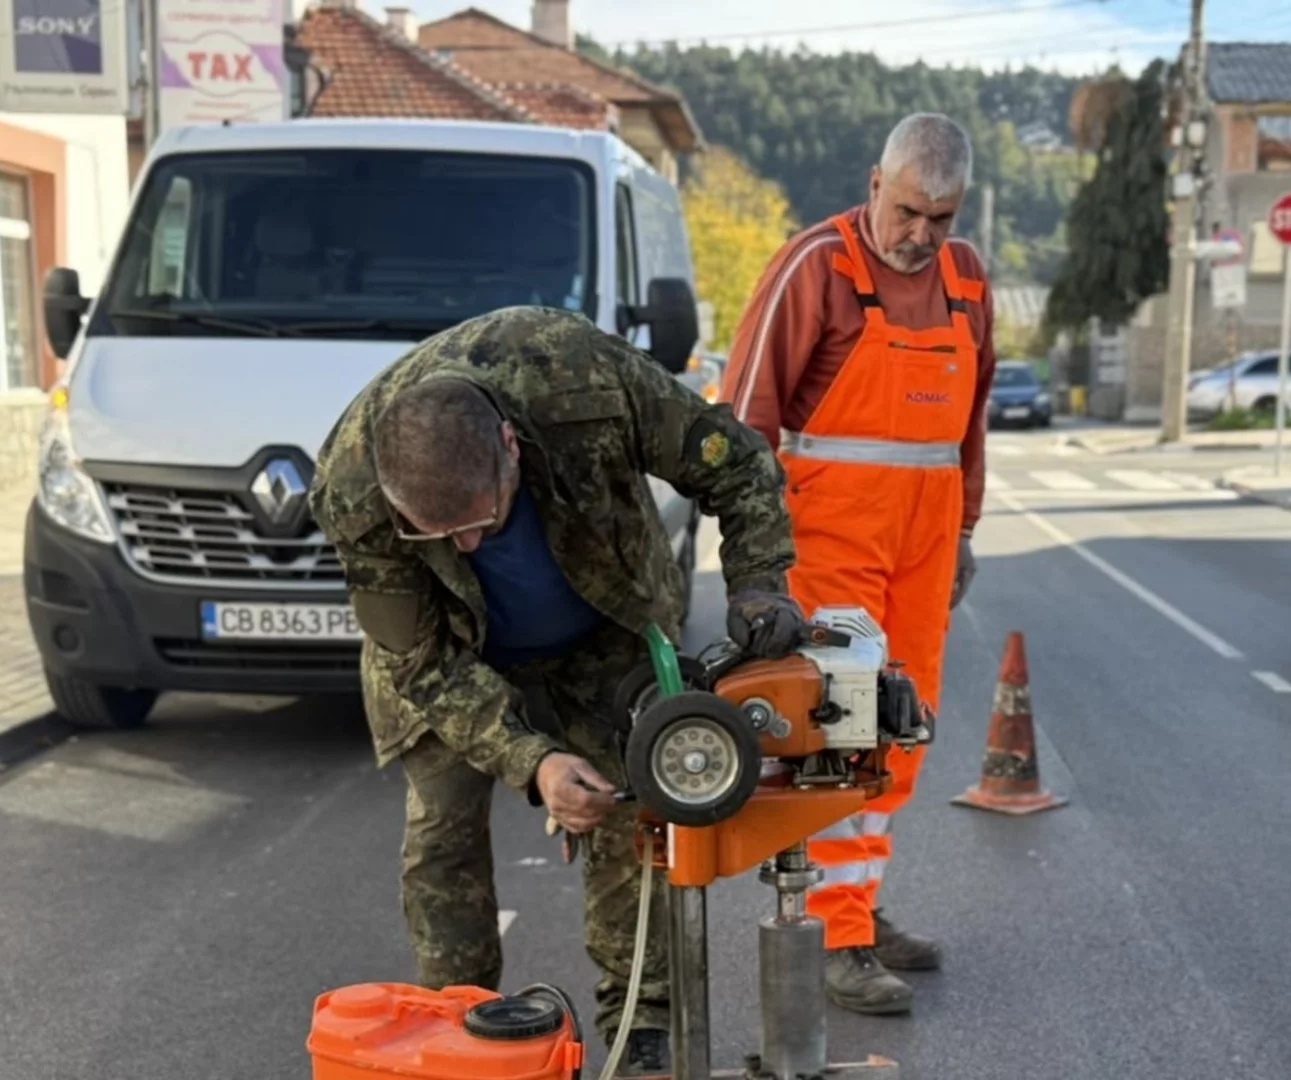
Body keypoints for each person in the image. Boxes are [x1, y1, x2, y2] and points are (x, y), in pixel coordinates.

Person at [310, 307, 804, 1074]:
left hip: (602, 623)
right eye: (435, 536)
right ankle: (462, 1032)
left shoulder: (584, 377)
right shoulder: (351, 489)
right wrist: (532, 760)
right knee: (441, 837)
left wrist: (759, 586)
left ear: (510, 448)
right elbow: (419, 664)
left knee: (634, 812)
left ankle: (643, 1028)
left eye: (479, 524)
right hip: (452, 652)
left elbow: (737, 466)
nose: (464, 548)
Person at [719, 113, 994, 1017]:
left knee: (902, 732)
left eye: (942, 219)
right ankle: (832, 937)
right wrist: (753, 567)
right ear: (875, 183)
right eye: (910, 211)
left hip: (923, 542)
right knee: (840, 733)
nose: (922, 236)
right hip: (829, 540)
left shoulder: (969, 281)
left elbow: (970, 426)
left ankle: (858, 909)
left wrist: (962, 534)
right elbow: (741, 422)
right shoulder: (817, 268)